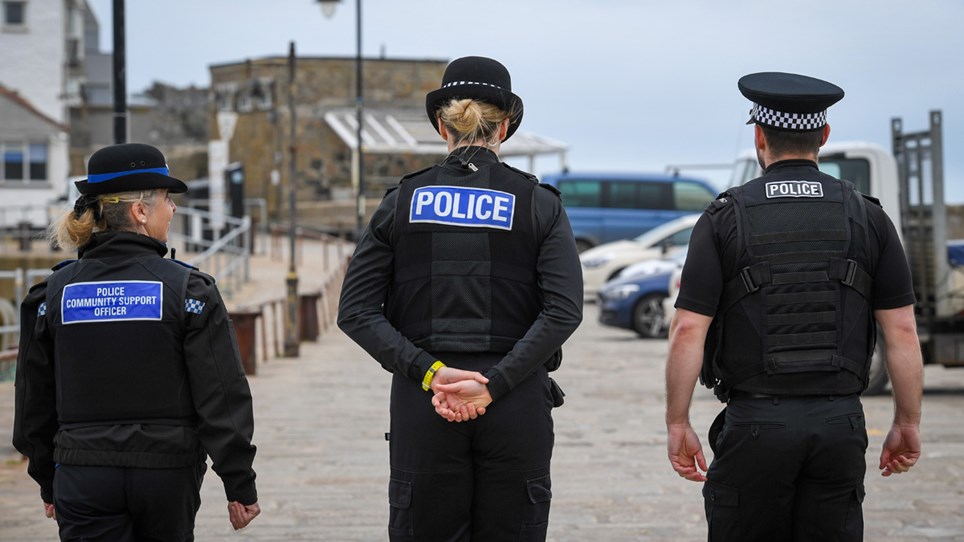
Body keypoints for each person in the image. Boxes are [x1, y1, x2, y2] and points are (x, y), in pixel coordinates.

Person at [664, 72, 923, 541]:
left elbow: (688, 330)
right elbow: (901, 330)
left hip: (757, 423)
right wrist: (907, 422)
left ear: (760, 136)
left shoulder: (725, 216)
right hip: (838, 423)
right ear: (823, 136)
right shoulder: (868, 215)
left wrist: (677, 422)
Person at [337, 56, 583, 541]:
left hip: (427, 400)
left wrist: (430, 372)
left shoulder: (403, 201)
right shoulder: (538, 203)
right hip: (512, 405)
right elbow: (564, 310)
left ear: (440, 124)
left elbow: (356, 311)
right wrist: (493, 383)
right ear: (505, 126)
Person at [13, 143, 260, 541]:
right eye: (166, 199)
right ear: (140, 211)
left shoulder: (52, 295)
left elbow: (32, 400)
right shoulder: (188, 291)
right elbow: (221, 393)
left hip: (82, 474)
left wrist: (48, 478)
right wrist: (239, 483)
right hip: (166, 474)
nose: (174, 209)